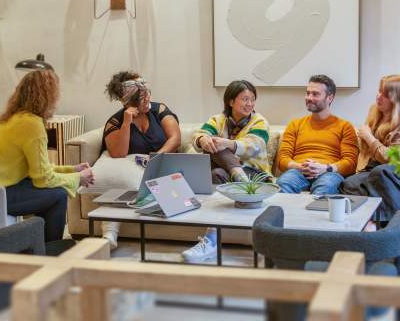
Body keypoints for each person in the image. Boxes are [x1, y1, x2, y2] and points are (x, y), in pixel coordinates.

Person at [0, 70, 94, 242]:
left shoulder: (15, 118)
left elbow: (36, 171)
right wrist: (78, 177)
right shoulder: (32, 125)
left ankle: (39, 244)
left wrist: (72, 170)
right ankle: (50, 249)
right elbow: (44, 179)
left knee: (44, 188)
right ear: (48, 96)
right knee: (58, 195)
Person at [182, 80, 271, 262]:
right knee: (214, 159)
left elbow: (254, 145)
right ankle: (240, 179)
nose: (250, 104)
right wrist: (203, 140)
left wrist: (226, 143)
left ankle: (210, 241)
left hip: (254, 174)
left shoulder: (259, 121)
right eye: (245, 99)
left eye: (252, 99)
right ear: (231, 101)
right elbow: (198, 135)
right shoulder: (218, 120)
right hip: (230, 175)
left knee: (218, 148)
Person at [100, 71, 181, 248]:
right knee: (123, 184)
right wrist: (126, 123)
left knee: (169, 193)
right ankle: (109, 234)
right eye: (142, 98)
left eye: (147, 94)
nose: (148, 99)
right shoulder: (115, 122)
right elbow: (118, 153)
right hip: (134, 172)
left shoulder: (159, 110)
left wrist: (155, 159)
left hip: (161, 165)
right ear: (128, 101)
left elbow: (175, 139)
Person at [341, 75, 400, 224]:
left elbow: (392, 159)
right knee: (349, 183)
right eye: (379, 91)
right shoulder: (374, 111)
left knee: (380, 172)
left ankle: (392, 226)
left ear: (398, 99)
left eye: (385, 95)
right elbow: (365, 149)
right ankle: (373, 224)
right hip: (374, 167)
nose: (379, 97)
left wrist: (369, 138)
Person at [276, 75, 358, 195]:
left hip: (329, 173)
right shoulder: (295, 125)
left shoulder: (345, 127)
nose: (309, 98)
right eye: (308, 93)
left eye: (315, 94)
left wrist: (325, 168)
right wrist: (300, 167)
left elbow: (350, 163)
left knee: (325, 187)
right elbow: (282, 159)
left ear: (329, 98)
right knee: (284, 183)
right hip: (298, 171)